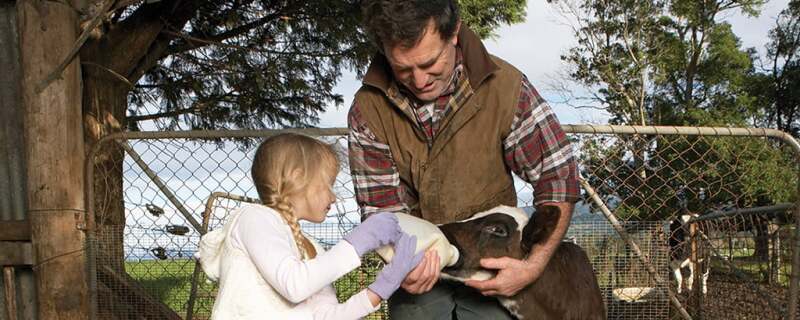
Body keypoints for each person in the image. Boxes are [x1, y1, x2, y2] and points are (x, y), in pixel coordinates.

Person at [348, 0, 580, 319]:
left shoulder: (506, 87)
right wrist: (403, 265)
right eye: (403, 69)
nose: (419, 81)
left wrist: (532, 265)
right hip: (419, 276)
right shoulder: (368, 110)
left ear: (454, 32)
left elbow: (558, 178)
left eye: (430, 64)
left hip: (496, 274)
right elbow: (381, 212)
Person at [197, 133, 424, 319]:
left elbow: (326, 316)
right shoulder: (253, 219)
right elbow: (294, 285)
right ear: (298, 178)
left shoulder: (311, 248)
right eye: (329, 184)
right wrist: (360, 241)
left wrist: (384, 286)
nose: (333, 197)